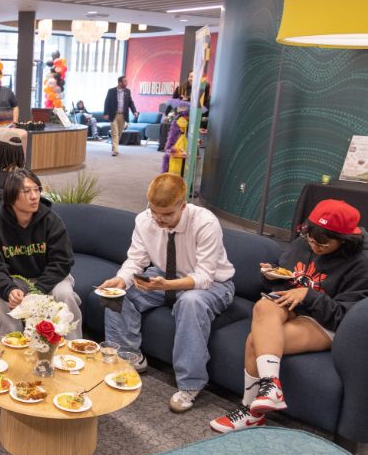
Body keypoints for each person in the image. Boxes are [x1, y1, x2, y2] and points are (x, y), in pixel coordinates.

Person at [210, 200, 368, 433]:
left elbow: (345, 317)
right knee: (264, 306)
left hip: (324, 322)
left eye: (323, 242)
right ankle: (271, 387)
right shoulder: (303, 243)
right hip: (293, 307)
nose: (315, 245)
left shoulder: (361, 264)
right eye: (311, 238)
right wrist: (272, 277)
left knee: (256, 340)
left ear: (344, 240)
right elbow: (288, 279)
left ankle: (250, 412)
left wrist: (308, 295)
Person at [99, 173, 235, 412]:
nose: (159, 220)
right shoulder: (144, 220)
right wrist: (121, 279)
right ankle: (128, 357)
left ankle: (190, 384)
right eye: (155, 213)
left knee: (190, 302)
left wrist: (166, 286)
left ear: (183, 206)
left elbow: (204, 277)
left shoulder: (205, 222)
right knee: (118, 293)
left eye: (167, 215)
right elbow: (135, 260)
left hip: (213, 284)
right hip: (163, 275)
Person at [0, 169, 82, 338]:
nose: (34, 196)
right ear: (11, 197)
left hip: (49, 278)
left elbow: (62, 262)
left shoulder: (51, 221)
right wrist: (9, 289)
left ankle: (72, 350)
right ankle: (10, 350)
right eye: (27, 191)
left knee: (65, 294)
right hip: (14, 280)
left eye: (36, 189)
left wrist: (38, 290)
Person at [103, 75, 138, 157]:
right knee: (115, 133)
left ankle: (114, 147)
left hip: (123, 115)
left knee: (119, 133)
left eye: (127, 81)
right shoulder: (111, 91)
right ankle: (115, 150)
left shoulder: (127, 91)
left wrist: (134, 111)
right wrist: (105, 113)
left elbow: (130, 102)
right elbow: (106, 102)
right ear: (120, 82)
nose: (127, 83)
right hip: (113, 115)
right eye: (125, 81)